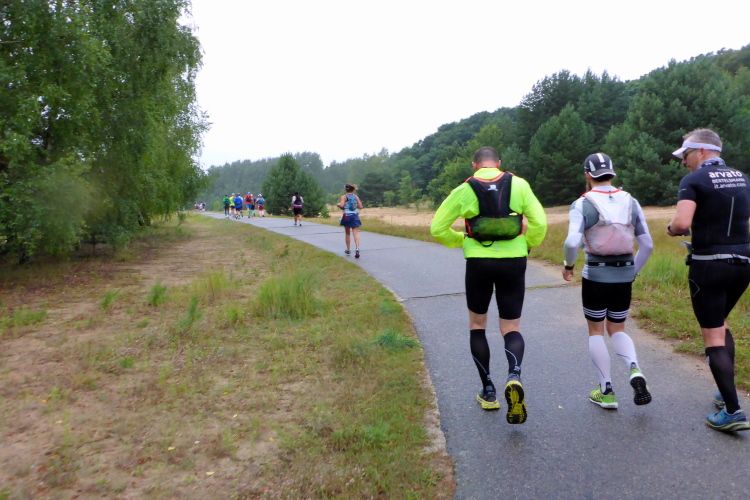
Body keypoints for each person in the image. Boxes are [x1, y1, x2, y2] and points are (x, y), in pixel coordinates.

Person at [430, 146, 547, 424]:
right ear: (498, 163)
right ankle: (514, 376)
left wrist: (462, 242)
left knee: (477, 325)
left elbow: (437, 228)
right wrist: (526, 244)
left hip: (478, 262)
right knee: (511, 327)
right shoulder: (519, 184)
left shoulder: (464, 189)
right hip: (514, 261)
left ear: (475, 165)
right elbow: (540, 223)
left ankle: (489, 390)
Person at [667, 128, 750, 432]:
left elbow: (682, 223)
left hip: (709, 264)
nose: (683, 162)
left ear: (701, 151)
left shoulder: (693, 180)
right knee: (721, 324)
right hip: (744, 262)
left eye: (685, 155)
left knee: (712, 336)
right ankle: (724, 392)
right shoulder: (743, 178)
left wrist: (671, 229)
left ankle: (733, 411)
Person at [562, 153, 654, 410]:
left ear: (587, 175)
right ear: (613, 173)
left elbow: (571, 242)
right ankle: (634, 368)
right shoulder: (631, 201)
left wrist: (568, 265)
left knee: (596, 331)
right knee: (618, 328)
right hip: (624, 275)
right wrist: (632, 272)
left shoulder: (582, 203)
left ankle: (607, 391)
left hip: (596, 274)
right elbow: (647, 245)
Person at [338, 184, 363, 258]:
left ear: (345, 189)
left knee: (348, 233)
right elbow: (360, 206)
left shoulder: (344, 197)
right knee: (356, 233)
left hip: (347, 216)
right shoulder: (356, 196)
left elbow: (342, 205)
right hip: (355, 216)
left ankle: (348, 249)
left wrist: (338, 205)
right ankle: (357, 248)